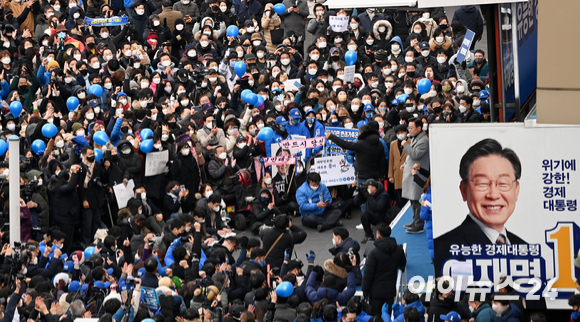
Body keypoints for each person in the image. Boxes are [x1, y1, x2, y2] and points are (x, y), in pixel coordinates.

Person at [434, 139, 526, 275]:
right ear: (464, 190)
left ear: (517, 190)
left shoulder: (525, 248)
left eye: (503, 183)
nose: (493, 195)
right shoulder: (444, 249)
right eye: (482, 183)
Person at [362, 223, 406, 316]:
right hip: (390, 291)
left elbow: (368, 275)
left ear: (378, 235)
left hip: (375, 292)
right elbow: (403, 264)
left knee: (376, 316)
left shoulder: (373, 253)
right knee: (387, 315)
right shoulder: (398, 249)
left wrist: (364, 290)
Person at [401, 118, 429, 234]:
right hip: (412, 172)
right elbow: (412, 156)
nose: (409, 130)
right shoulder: (416, 138)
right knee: (413, 200)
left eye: (411, 128)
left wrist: (406, 146)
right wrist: (405, 164)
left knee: (417, 200)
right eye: (409, 127)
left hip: (418, 174)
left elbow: (416, 154)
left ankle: (419, 224)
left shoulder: (424, 140)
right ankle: (414, 220)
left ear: (419, 128)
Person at [354, 179, 391, 243]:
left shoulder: (384, 195)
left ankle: (383, 236)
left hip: (384, 218)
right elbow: (356, 202)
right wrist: (360, 194)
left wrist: (368, 197)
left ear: (374, 188)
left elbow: (377, 208)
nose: (367, 188)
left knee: (383, 236)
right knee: (364, 215)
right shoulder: (369, 193)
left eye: (368, 187)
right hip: (375, 216)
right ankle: (369, 236)